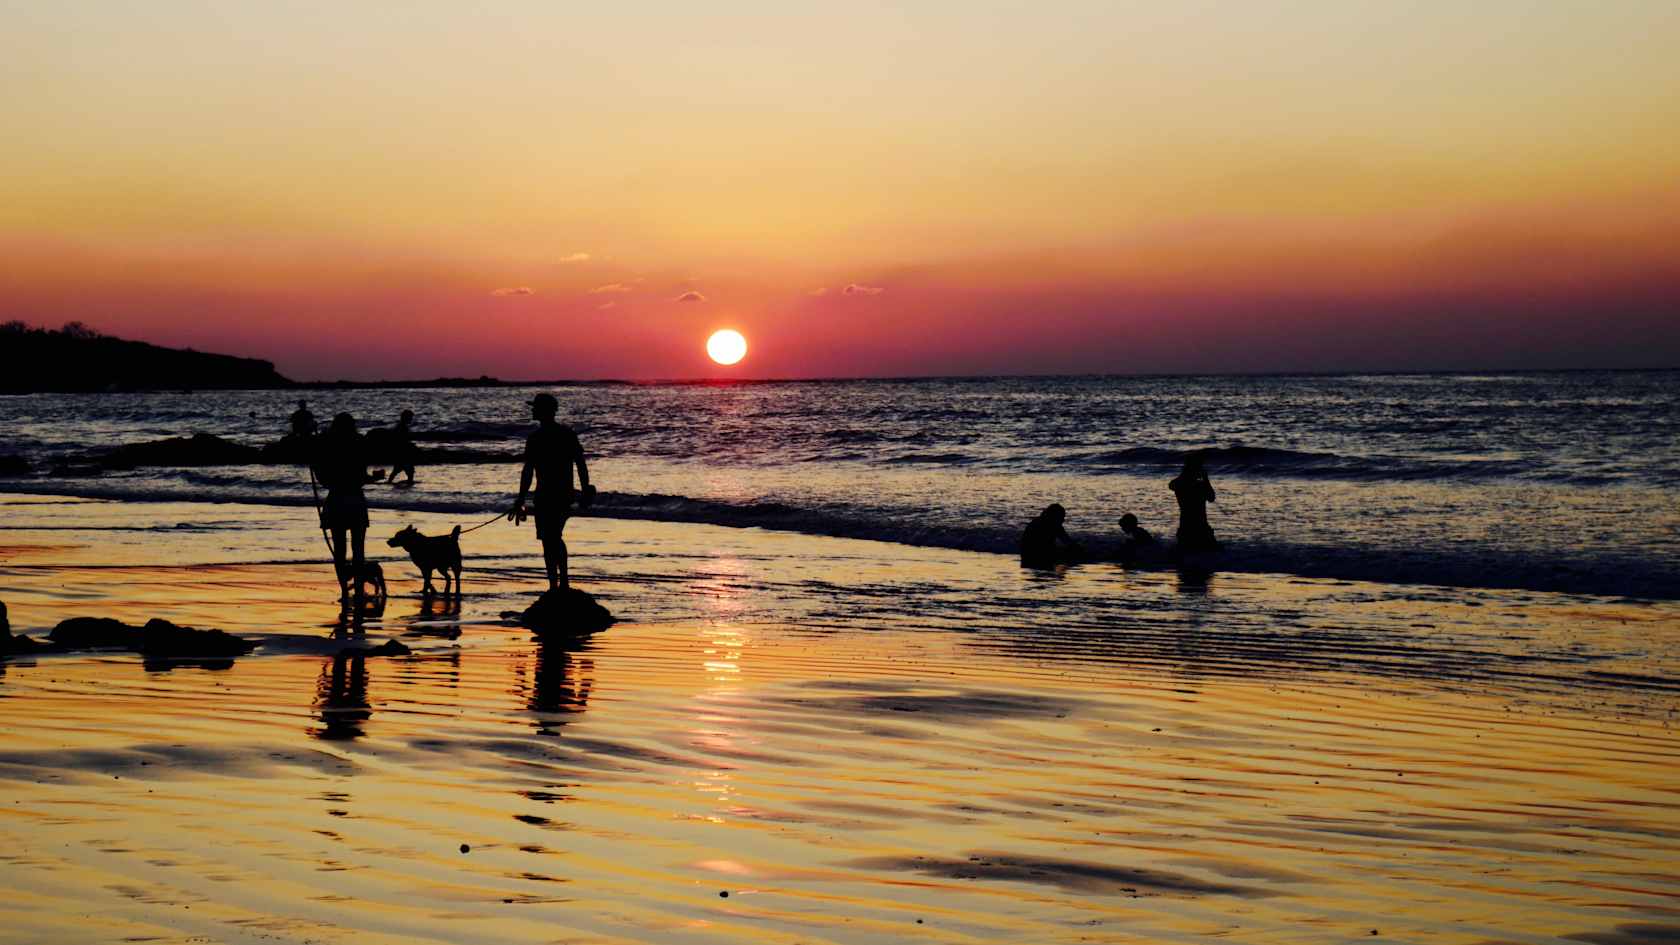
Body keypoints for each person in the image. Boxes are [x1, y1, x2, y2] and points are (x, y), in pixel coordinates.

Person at [507, 393, 592, 590]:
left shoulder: (536, 438)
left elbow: (529, 470)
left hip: (549, 495)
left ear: (544, 411)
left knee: (550, 538)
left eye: (535, 407)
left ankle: (559, 583)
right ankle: (557, 583)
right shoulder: (565, 434)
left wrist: (521, 498)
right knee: (550, 538)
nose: (532, 410)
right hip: (558, 494)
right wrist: (586, 487)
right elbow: (580, 464)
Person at [312, 412, 371, 602]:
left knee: (339, 549)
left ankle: (345, 591)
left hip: (336, 499)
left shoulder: (328, 445)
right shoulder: (359, 443)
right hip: (355, 499)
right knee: (358, 548)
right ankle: (359, 590)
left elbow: (321, 474)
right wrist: (372, 478)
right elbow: (362, 475)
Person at [1169, 455, 1219, 552]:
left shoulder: (1181, 482)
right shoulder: (1195, 484)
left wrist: (1204, 481)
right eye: (1200, 466)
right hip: (1197, 526)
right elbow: (1211, 498)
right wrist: (1205, 481)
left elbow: (1171, 485)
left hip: (1189, 526)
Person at [1020, 503, 1083, 569]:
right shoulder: (1054, 525)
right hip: (1038, 555)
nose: (1063, 520)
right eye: (1062, 517)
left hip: (1026, 556)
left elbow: (1067, 541)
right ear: (1056, 516)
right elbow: (1067, 541)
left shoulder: (1036, 521)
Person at [385, 408, 417, 485]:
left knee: (398, 469)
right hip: (402, 452)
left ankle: (390, 482)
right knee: (408, 470)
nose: (411, 419)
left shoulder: (400, 426)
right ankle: (409, 482)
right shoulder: (402, 427)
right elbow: (402, 440)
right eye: (410, 418)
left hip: (400, 451)